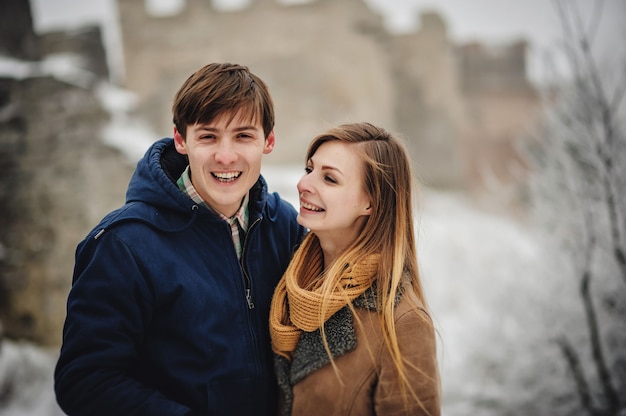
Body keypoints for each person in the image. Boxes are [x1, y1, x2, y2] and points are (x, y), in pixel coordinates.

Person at [54, 63, 307, 416]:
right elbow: (85, 380)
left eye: (243, 136)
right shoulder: (123, 245)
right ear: (180, 140)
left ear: (268, 141)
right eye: (208, 136)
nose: (226, 155)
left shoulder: (285, 226)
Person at [269, 122, 441, 415]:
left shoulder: (401, 321)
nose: (304, 184)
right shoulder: (292, 283)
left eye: (330, 179)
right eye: (309, 170)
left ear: (370, 203)